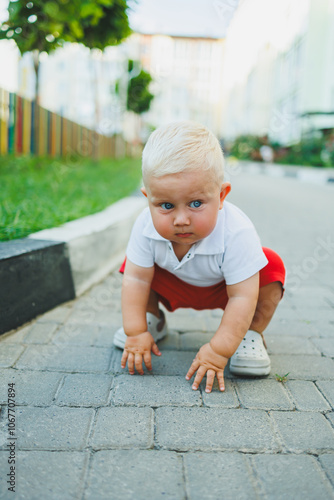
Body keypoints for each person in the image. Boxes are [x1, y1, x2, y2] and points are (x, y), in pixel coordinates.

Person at [113, 121, 285, 393]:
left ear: (221, 195)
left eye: (196, 204)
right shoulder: (145, 226)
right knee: (133, 265)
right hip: (172, 284)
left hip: (227, 291)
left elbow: (242, 296)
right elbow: (135, 281)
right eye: (166, 205)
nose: (181, 220)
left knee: (270, 265)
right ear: (148, 199)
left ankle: (248, 334)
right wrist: (134, 332)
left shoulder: (237, 231)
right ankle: (151, 319)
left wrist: (219, 350)